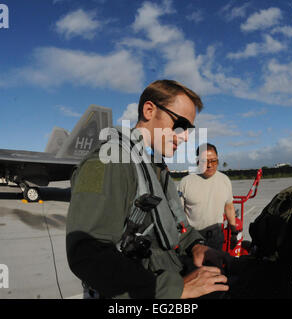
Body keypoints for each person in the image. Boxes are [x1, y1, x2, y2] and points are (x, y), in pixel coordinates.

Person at [66, 80, 229, 299]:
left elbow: (171, 224)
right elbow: (87, 255)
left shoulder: (154, 166)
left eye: (189, 129)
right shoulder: (110, 163)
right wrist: (175, 289)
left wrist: (196, 245)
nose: (185, 137)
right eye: (180, 125)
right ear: (149, 110)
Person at [178, 143, 238, 251]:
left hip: (216, 241)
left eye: (213, 161)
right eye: (205, 161)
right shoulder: (185, 183)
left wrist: (234, 233)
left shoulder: (225, 180)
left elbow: (229, 207)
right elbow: (178, 215)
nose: (209, 165)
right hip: (192, 243)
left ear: (218, 161)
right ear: (197, 162)